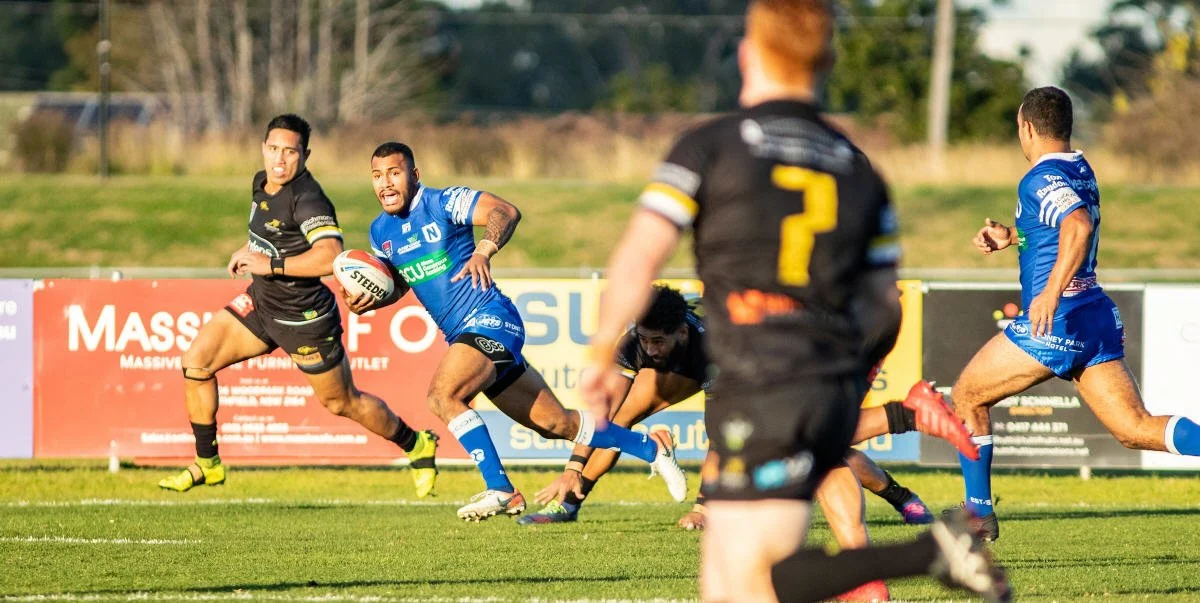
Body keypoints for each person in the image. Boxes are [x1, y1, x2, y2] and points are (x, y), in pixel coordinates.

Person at [579, 2, 1010, 601]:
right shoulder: (860, 172)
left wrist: (602, 352)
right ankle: (917, 534)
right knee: (750, 573)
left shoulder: (709, 146)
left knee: (744, 580)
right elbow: (885, 305)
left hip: (754, 379)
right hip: (825, 378)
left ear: (745, 55)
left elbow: (639, 258)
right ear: (826, 62)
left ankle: (928, 544)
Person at [344, 141, 687, 521]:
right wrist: (372, 299)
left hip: (489, 318)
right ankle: (651, 448)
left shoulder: (443, 203)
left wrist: (484, 250)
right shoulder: (380, 231)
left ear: (414, 175)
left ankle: (501, 489)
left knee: (443, 396)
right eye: (377, 176)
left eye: (394, 173)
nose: (385, 183)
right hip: (464, 334)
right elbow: (400, 283)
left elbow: (505, 211)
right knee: (556, 423)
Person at [951, 85, 1200, 541]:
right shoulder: (1080, 169)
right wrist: (1012, 235)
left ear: (1027, 128)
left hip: (1057, 319)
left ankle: (977, 515)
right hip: (1094, 316)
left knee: (968, 396)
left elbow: (1078, 226)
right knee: (1134, 429)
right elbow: (1059, 225)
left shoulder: (1038, 177)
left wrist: (1049, 293)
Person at [159, 114, 439, 497]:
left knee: (342, 403)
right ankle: (207, 464)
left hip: (304, 319)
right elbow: (273, 233)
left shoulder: (308, 199)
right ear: (263, 148)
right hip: (261, 303)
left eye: (290, 152)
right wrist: (248, 250)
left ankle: (417, 444)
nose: (280, 159)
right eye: (274, 149)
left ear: (305, 155)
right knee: (196, 363)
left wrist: (270, 265)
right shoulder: (262, 181)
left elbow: (330, 255)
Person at [519, 285, 939, 529]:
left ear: (681, 333)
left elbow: (719, 436)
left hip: (761, 369)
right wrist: (572, 466)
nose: (650, 349)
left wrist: (703, 508)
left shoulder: (714, 348)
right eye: (645, 340)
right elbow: (603, 413)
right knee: (621, 416)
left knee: (811, 443)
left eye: (658, 341)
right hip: (707, 360)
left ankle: (900, 493)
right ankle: (570, 502)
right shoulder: (636, 343)